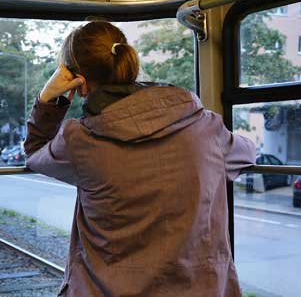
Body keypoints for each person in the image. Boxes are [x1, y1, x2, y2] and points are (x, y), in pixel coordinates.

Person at [24, 21, 256, 297]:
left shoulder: (79, 141)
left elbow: (35, 151)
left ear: (80, 83)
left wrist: (48, 97)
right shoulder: (205, 127)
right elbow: (247, 153)